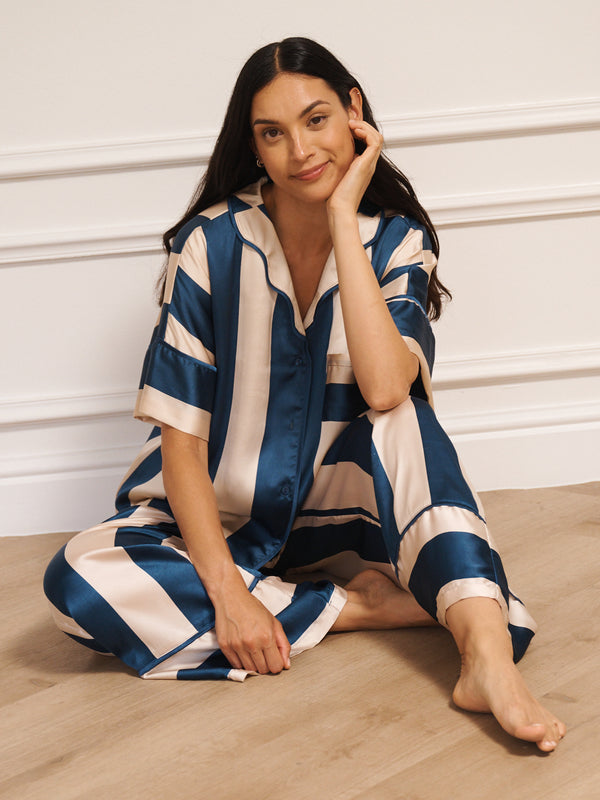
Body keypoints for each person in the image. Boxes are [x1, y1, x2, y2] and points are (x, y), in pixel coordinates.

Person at [43, 37, 565, 751]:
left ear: (354, 112)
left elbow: (384, 390)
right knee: (78, 583)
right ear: (253, 148)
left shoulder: (397, 242)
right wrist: (225, 592)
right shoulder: (210, 245)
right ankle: (359, 609)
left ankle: (488, 659)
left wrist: (346, 219)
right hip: (216, 517)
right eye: (272, 133)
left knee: (406, 419)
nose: (299, 150)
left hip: (346, 512)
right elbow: (181, 445)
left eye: (317, 119)